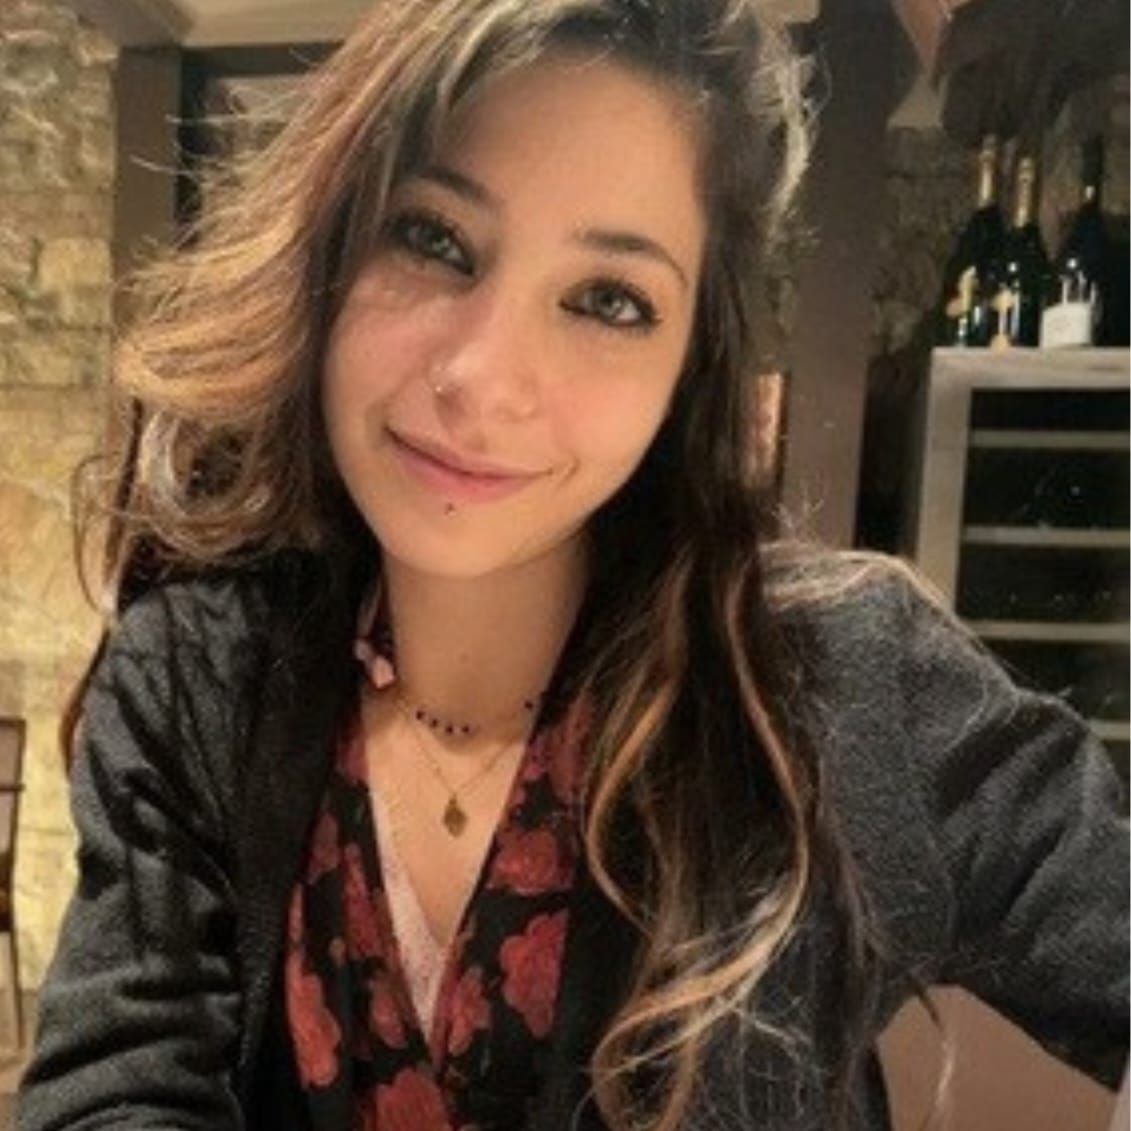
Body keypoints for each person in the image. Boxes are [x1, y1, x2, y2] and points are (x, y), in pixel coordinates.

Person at [15, 1, 1128, 1129]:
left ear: (690, 365)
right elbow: (112, 1091)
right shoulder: (203, 674)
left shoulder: (839, 688)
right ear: (331, 252)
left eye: (608, 300)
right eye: (433, 237)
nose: (485, 379)